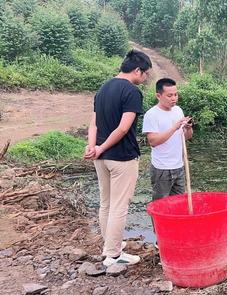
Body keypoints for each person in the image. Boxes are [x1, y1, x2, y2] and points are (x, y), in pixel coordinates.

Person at [84, 49, 152, 267]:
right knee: (119, 206)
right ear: (137, 70)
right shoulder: (131, 92)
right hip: (122, 157)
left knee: (106, 203)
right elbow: (123, 129)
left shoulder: (103, 89)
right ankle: (113, 255)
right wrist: (101, 146)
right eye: (146, 74)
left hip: (101, 158)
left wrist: (93, 147)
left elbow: (93, 123)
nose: (146, 78)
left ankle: (110, 246)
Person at [142, 78, 192, 201]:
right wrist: (174, 127)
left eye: (176, 94)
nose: (174, 98)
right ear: (158, 95)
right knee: (161, 205)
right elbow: (153, 141)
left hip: (179, 165)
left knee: (179, 204)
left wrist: (188, 128)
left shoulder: (178, 110)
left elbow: (186, 137)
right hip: (162, 168)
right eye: (169, 95)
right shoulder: (152, 114)